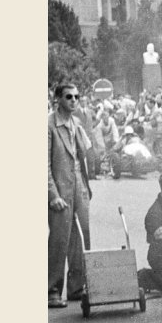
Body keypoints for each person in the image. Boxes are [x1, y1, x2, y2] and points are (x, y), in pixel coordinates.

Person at [47, 83, 94, 308]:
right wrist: (52, 194)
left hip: (78, 185)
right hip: (60, 188)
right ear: (58, 99)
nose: (74, 100)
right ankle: (52, 290)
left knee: (82, 237)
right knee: (59, 239)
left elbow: (83, 157)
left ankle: (77, 287)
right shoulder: (49, 125)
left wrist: (86, 186)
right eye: (69, 97)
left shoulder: (77, 123)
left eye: (77, 96)